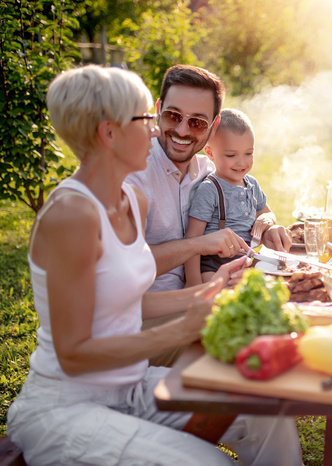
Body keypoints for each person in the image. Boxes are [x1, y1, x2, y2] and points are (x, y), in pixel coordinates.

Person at [6, 65, 303, 466]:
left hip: (128, 386)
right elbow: (73, 354)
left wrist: (212, 288)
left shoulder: (132, 202)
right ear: (109, 133)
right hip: (67, 406)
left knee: (267, 413)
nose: (156, 130)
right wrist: (183, 328)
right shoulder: (71, 216)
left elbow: (129, 304)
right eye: (148, 117)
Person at [126, 65, 291, 293]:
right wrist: (198, 249)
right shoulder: (133, 177)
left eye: (197, 122)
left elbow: (261, 210)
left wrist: (271, 226)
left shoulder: (209, 169)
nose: (182, 131)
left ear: (214, 127)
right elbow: (126, 267)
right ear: (158, 110)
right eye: (173, 116)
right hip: (155, 310)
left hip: (210, 292)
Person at [184, 108, 275, 287]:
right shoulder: (210, 189)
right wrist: (193, 283)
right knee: (219, 291)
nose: (241, 162)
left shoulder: (251, 185)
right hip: (214, 264)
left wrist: (266, 219)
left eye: (248, 153)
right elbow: (192, 240)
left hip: (246, 260)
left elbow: (269, 214)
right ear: (210, 153)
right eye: (231, 155)